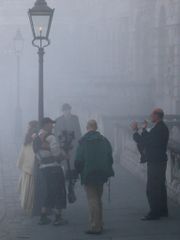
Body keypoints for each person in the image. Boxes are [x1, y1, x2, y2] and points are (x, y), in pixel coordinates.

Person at [75, 120, 114, 235]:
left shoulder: (83, 141)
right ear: (96, 128)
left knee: (92, 200)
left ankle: (95, 226)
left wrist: (78, 172)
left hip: (89, 173)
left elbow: (78, 160)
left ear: (87, 127)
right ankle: (100, 223)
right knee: (98, 198)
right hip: (102, 173)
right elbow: (110, 157)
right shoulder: (104, 140)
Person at [131, 108, 169, 220]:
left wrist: (135, 131)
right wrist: (143, 129)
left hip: (156, 162)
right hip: (159, 160)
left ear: (157, 115)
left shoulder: (159, 128)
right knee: (160, 187)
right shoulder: (160, 127)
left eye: (152, 115)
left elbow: (145, 141)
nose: (150, 116)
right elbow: (150, 139)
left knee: (153, 188)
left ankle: (154, 213)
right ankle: (162, 211)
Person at [33, 118, 67, 225]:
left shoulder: (36, 138)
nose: (52, 126)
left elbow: (36, 153)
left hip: (43, 167)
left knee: (49, 191)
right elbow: (56, 154)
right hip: (54, 167)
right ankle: (58, 217)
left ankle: (43, 217)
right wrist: (64, 155)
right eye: (51, 124)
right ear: (46, 125)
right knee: (59, 191)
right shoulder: (51, 137)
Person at [17, 120, 38, 216]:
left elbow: (23, 151)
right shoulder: (34, 138)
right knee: (31, 188)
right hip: (31, 166)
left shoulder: (28, 137)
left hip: (27, 166)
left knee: (27, 188)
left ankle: (28, 206)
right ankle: (32, 206)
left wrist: (20, 163)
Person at [54, 103, 81, 169]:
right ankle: (67, 175)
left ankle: (74, 175)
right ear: (63, 111)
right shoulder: (58, 120)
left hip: (74, 144)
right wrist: (59, 145)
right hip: (63, 145)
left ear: (70, 110)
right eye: (65, 110)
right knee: (65, 163)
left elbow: (78, 131)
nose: (67, 111)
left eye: (68, 109)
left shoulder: (75, 118)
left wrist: (79, 143)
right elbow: (56, 133)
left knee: (73, 161)